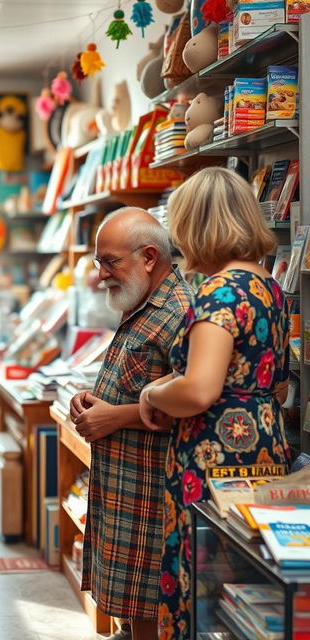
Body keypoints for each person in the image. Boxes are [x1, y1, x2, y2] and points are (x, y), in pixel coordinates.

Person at [139, 167, 291, 640]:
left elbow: (200, 390)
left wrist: (153, 391)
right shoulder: (269, 286)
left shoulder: (219, 291)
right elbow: (275, 384)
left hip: (213, 459)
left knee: (202, 587)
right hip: (266, 448)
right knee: (247, 592)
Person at [70, 208, 192, 640]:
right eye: (98, 262)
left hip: (150, 486)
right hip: (125, 483)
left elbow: (191, 402)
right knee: (133, 606)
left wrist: (112, 416)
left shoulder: (179, 312)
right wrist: (91, 399)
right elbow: (141, 383)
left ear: (148, 256)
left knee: (149, 605)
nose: (101, 274)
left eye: (110, 261)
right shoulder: (141, 302)